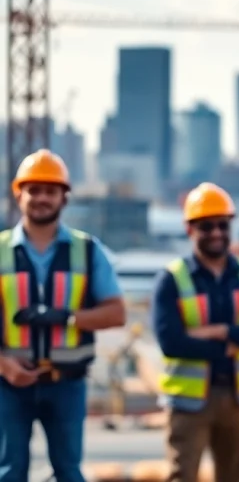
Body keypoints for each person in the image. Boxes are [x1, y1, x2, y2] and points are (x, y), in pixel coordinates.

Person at [0, 149, 126, 482]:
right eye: (34, 190)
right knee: (10, 472)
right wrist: (5, 366)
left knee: (69, 472)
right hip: (8, 384)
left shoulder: (88, 250)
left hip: (67, 383)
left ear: (64, 197)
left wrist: (66, 316)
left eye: (50, 191)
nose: (42, 198)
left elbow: (116, 313)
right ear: (18, 194)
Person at [152, 182, 239, 482]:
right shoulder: (171, 279)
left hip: (238, 398)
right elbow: (171, 343)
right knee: (182, 476)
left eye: (222, 225)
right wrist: (233, 342)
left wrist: (217, 331)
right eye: (206, 226)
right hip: (189, 402)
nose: (216, 233)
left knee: (233, 476)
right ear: (189, 229)